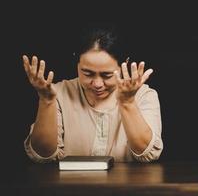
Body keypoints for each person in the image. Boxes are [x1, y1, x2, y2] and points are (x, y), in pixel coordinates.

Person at [23, 25, 163, 163]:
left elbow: (146, 152)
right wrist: (46, 101)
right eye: (87, 73)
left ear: (124, 64)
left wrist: (128, 103)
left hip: (126, 186)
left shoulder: (144, 95)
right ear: (77, 63)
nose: (97, 84)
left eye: (107, 75)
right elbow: (42, 154)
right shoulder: (58, 93)